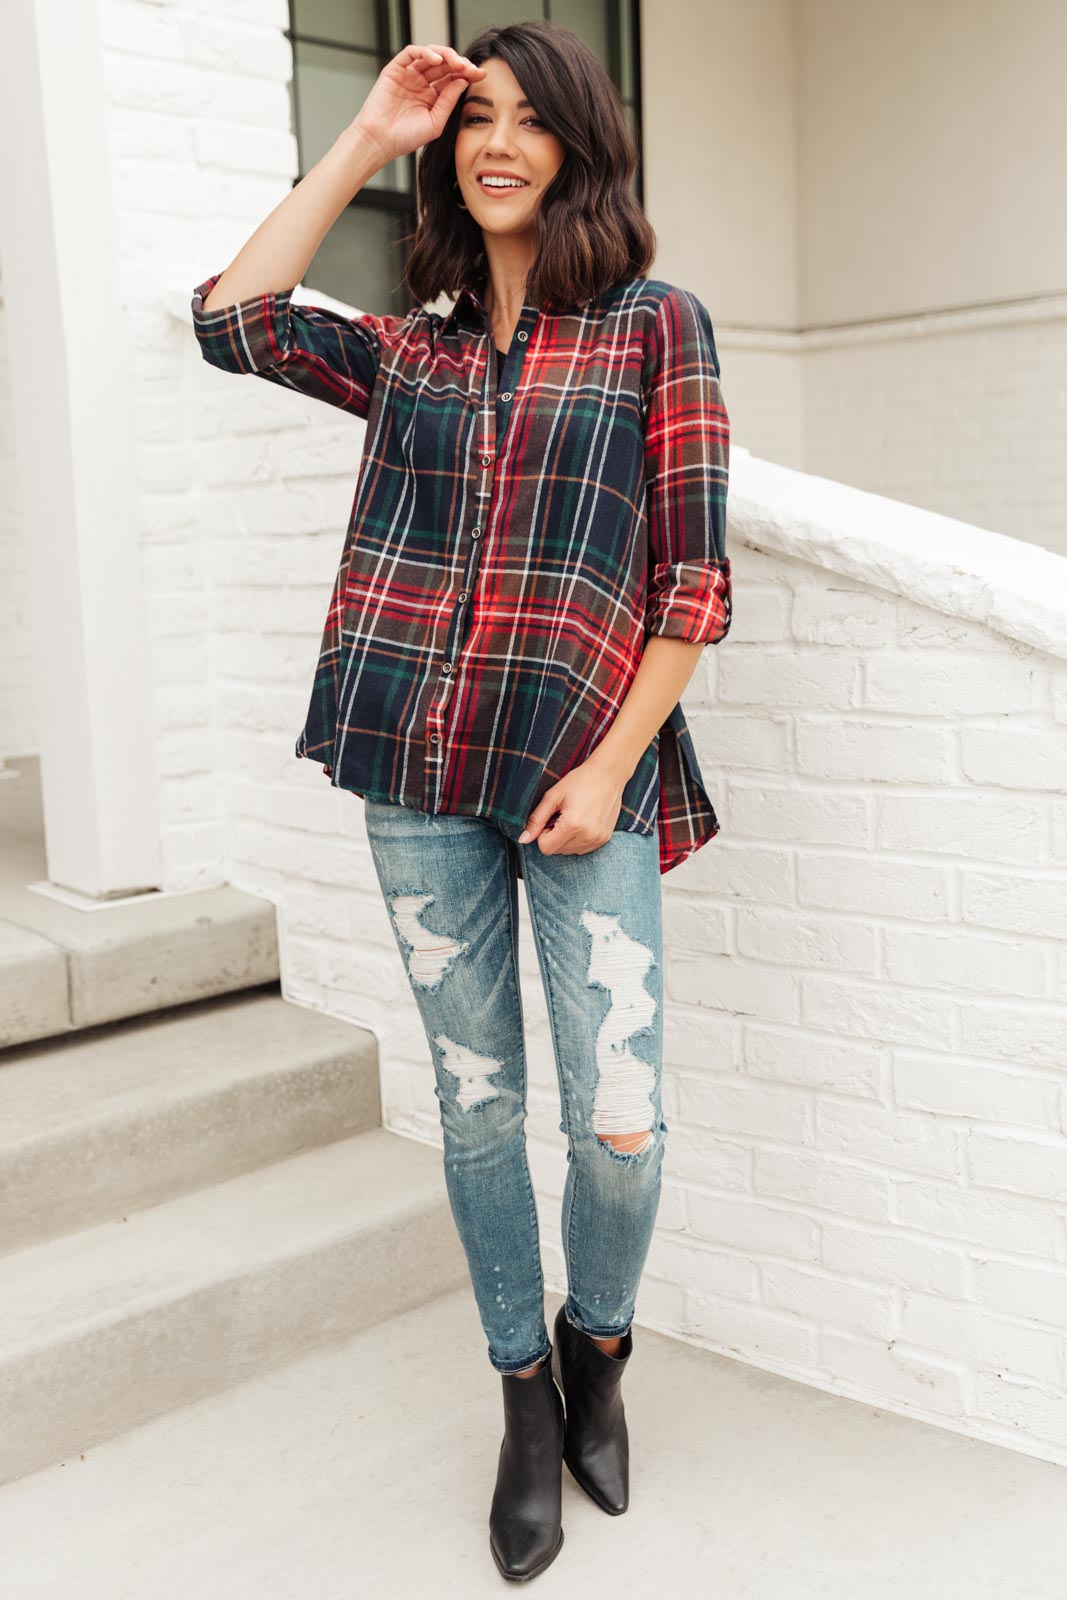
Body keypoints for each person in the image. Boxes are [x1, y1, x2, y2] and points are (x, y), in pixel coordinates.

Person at [191, 20, 730, 1583]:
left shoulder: (653, 329)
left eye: (529, 120)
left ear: (581, 147)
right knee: (479, 1105)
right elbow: (232, 322)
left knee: (616, 1117)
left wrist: (612, 764)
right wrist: (369, 135)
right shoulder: (411, 350)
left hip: (583, 775)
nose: (496, 143)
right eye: (473, 119)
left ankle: (597, 1351)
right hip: (415, 770)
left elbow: (692, 580)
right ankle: (519, 1397)